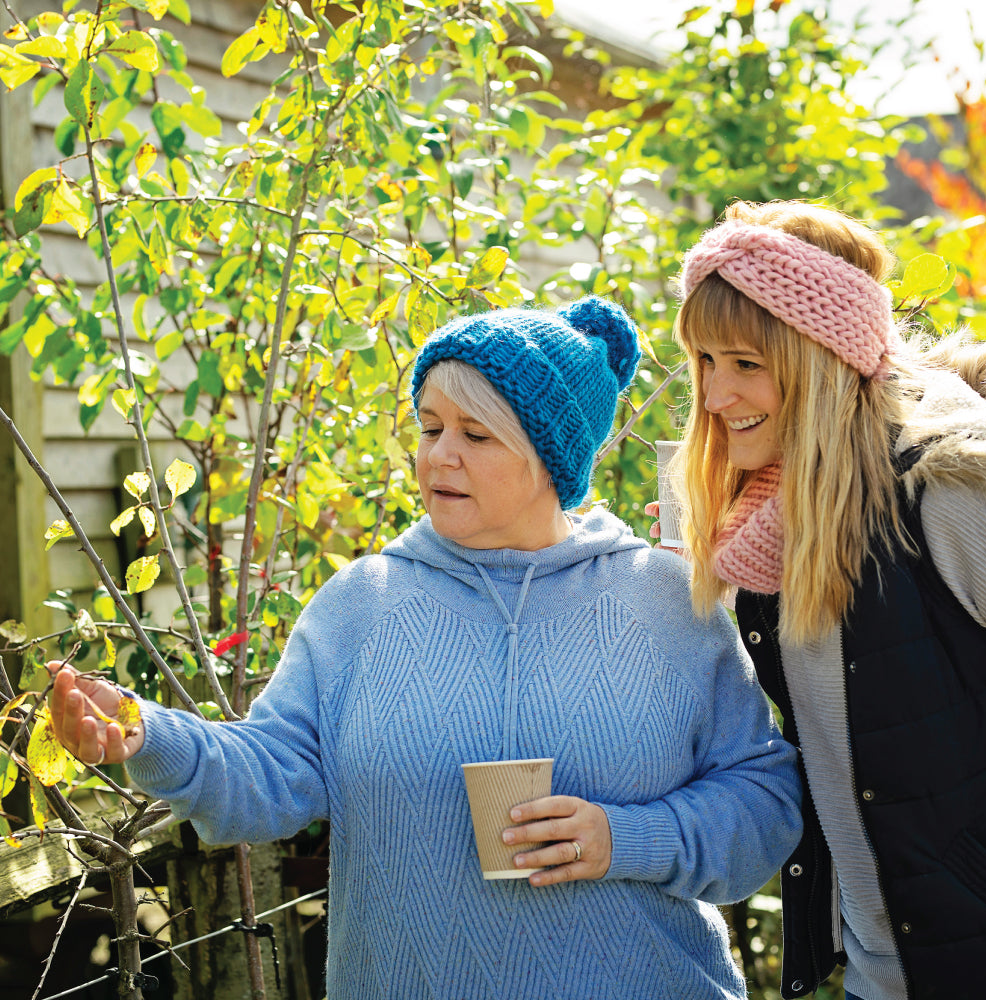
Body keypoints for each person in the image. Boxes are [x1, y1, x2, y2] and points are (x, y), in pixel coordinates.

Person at [48, 295, 802, 1000]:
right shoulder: (361, 605)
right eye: (430, 427)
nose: (441, 455)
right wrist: (146, 735)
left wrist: (625, 838)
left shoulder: (666, 600)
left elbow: (763, 802)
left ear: (552, 459)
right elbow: (268, 774)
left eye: (476, 436)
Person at [654, 199, 986, 1000]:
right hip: (890, 969)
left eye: (744, 363)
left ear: (819, 356)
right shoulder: (779, 515)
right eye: (703, 361)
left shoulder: (944, 492)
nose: (713, 396)